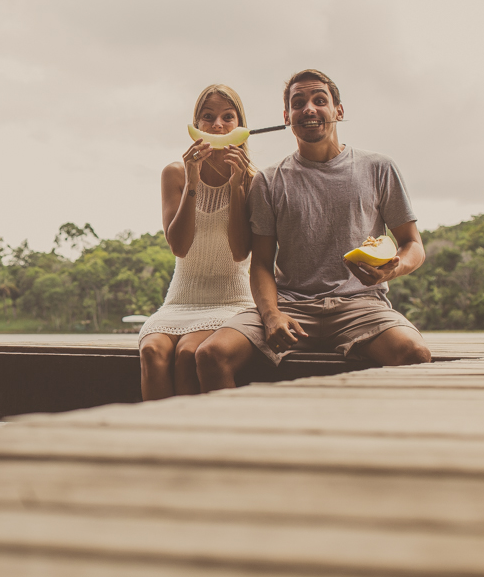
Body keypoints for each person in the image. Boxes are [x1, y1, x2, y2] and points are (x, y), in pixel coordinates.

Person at [195, 69, 431, 391]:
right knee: (211, 354)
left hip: (361, 305)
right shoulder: (268, 180)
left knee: (414, 353)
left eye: (319, 100)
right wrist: (271, 315)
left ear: (338, 111)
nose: (308, 108)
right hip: (290, 306)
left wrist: (393, 269)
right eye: (298, 102)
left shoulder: (379, 168)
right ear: (287, 117)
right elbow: (261, 263)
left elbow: (412, 244)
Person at [138, 84, 255, 400]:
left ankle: (193, 442)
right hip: (180, 298)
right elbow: (179, 246)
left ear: (240, 125)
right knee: (151, 351)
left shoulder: (253, 179)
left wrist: (236, 186)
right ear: (197, 125)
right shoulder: (175, 173)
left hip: (231, 300)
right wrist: (192, 180)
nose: (218, 126)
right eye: (208, 117)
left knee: (189, 352)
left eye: (227, 117)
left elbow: (239, 250)